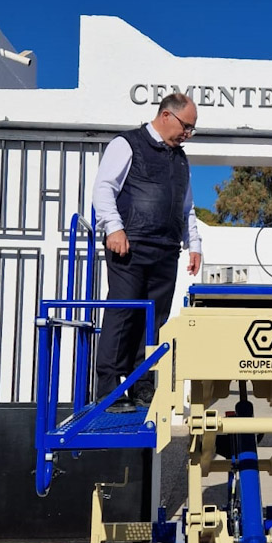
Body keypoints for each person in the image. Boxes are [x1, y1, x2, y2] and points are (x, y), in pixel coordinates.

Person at [92, 93, 202, 412]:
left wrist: (194, 244)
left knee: (155, 321)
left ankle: (142, 386)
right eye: (186, 126)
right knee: (123, 314)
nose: (187, 134)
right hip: (130, 246)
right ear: (166, 115)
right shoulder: (127, 144)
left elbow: (186, 206)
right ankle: (109, 390)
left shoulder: (181, 159)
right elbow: (104, 188)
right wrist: (114, 228)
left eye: (192, 129)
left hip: (166, 251)